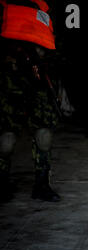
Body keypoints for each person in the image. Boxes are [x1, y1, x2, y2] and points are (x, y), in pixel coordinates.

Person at [0, 0, 60, 203]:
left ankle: (42, 184)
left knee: (44, 135)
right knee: (6, 138)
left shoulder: (45, 7)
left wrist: (43, 65)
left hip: (38, 81)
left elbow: (54, 45)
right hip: (10, 80)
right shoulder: (5, 8)